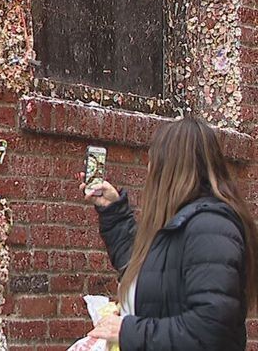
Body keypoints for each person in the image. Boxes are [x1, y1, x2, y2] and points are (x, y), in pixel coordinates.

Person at [79, 117, 258, 350]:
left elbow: (210, 331)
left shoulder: (211, 228)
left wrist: (128, 331)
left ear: (169, 168)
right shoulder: (184, 223)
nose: (149, 170)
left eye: (152, 161)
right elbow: (145, 269)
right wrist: (112, 210)